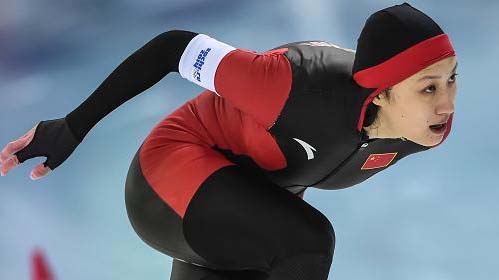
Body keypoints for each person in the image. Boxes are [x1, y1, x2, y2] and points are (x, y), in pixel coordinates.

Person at [0, 2, 458, 279]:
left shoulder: (420, 130)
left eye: (451, 79)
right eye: (429, 87)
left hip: (244, 206)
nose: (447, 103)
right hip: (166, 179)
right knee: (307, 243)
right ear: (382, 93)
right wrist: (73, 126)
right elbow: (173, 47)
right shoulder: (292, 84)